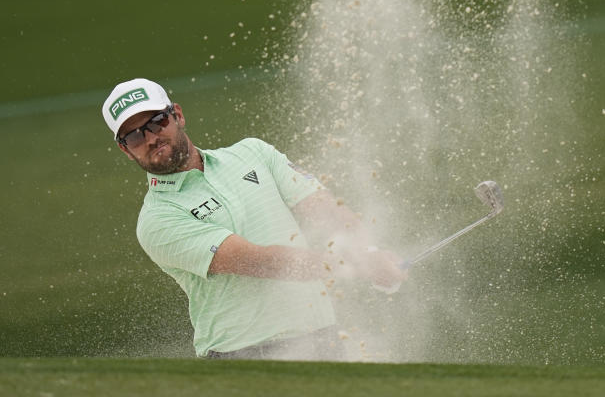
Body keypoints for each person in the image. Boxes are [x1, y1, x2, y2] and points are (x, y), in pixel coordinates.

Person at [101, 77, 407, 359]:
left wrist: (368, 253)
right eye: (134, 136)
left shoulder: (253, 153)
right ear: (126, 150)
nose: (151, 138)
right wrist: (354, 266)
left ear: (177, 116)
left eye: (157, 122)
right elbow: (259, 262)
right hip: (243, 354)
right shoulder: (157, 219)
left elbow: (325, 209)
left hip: (322, 335)